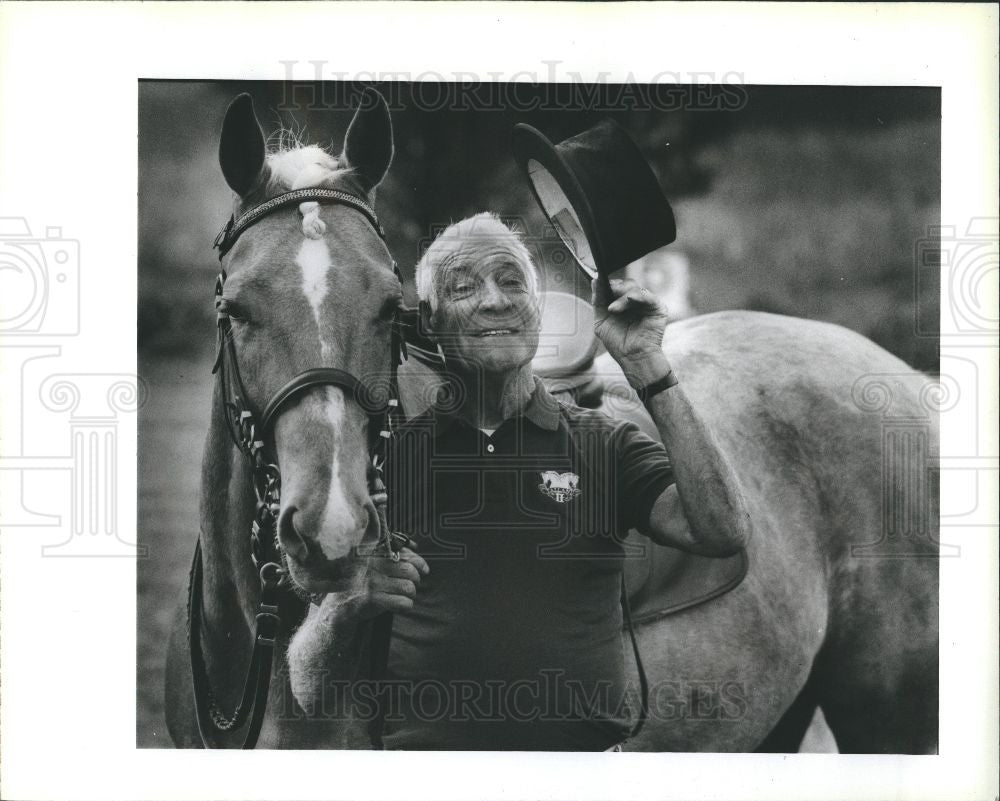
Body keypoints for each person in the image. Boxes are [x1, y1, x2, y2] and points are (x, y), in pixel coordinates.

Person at [287, 213, 750, 751]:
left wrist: (648, 367)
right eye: (465, 287)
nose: (495, 301)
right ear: (430, 323)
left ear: (538, 310)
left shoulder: (605, 444)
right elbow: (310, 690)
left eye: (512, 282)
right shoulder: (388, 463)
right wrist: (349, 602)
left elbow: (723, 530)